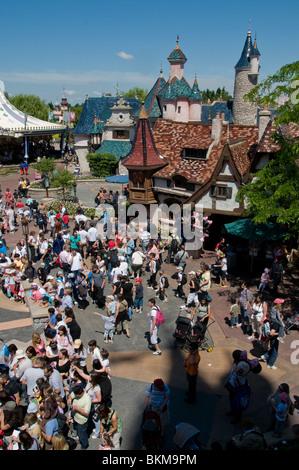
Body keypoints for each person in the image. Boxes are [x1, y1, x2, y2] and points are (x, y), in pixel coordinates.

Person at [68, 385, 92, 450]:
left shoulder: (87, 399)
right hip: (75, 417)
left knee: (82, 434)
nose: (76, 397)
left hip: (82, 421)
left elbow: (87, 413)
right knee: (78, 432)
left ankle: (84, 446)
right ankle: (80, 440)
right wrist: (70, 399)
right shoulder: (77, 391)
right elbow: (71, 395)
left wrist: (77, 408)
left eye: (77, 396)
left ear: (82, 393)